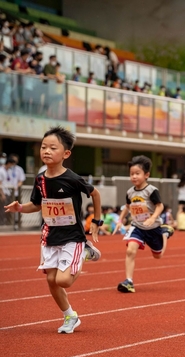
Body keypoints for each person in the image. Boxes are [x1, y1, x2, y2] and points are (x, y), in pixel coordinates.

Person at [3, 126, 102, 333]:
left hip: (72, 237)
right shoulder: (40, 179)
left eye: (52, 148)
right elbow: (37, 204)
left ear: (66, 154)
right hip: (50, 236)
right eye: (43, 147)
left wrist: (96, 221)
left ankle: (84, 252)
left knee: (63, 280)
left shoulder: (72, 179)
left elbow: (95, 194)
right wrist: (20, 208)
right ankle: (70, 316)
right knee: (51, 280)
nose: (46, 151)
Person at [113, 155, 174, 293]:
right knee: (130, 250)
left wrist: (153, 218)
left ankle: (165, 233)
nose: (134, 176)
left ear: (146, 175)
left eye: (137, 173)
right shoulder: (130, 192)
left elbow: (160, 206)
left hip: (153, 227)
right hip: (137, 227)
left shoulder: (151, 190)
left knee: (158, 255)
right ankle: (129, 281)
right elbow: (127, 207)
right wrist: (120, 221)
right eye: (131, 174)